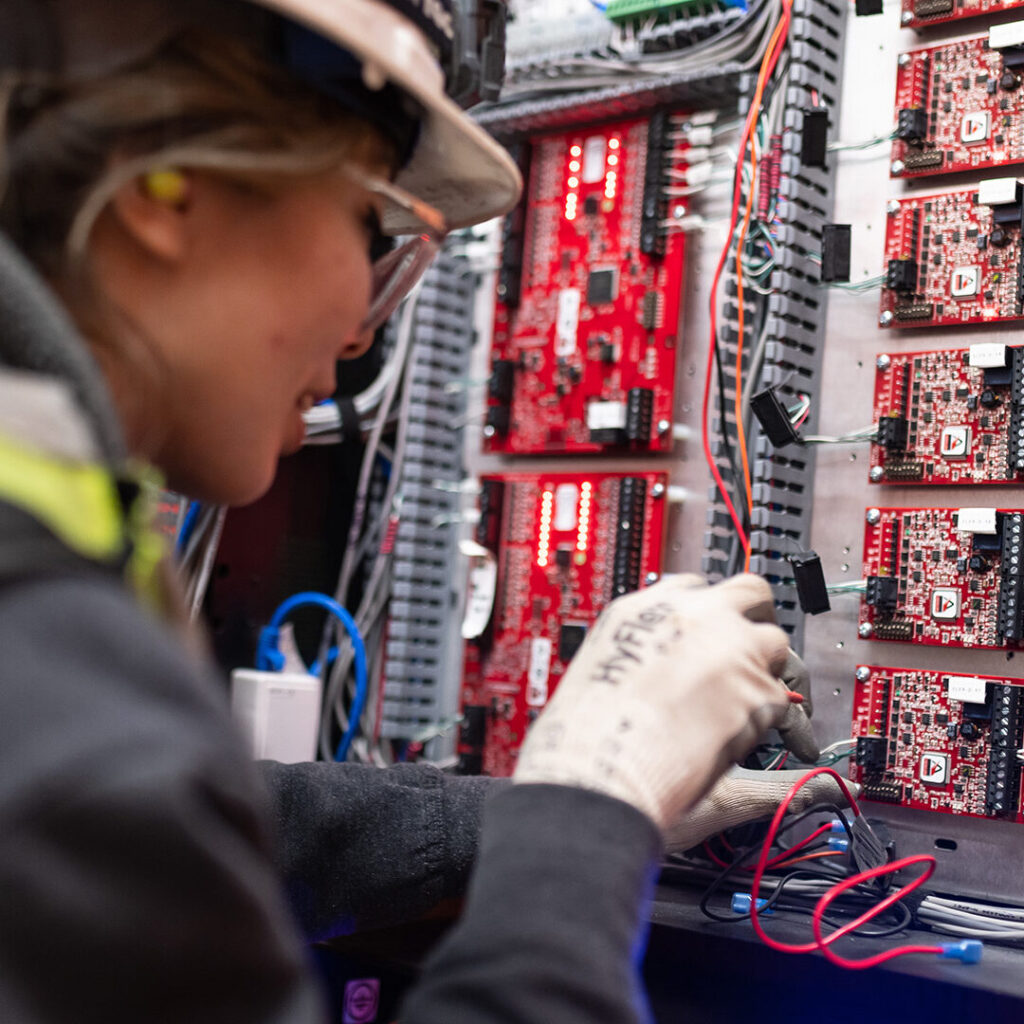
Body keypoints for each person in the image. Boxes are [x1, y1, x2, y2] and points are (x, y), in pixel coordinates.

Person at [0, 1, 847, 1020]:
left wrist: (570, 808)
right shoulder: (36, 634)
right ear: (163, 174)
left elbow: (223, 836)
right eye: (370, 222)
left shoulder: (48, 569)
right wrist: (595, 802)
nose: (364, 328)